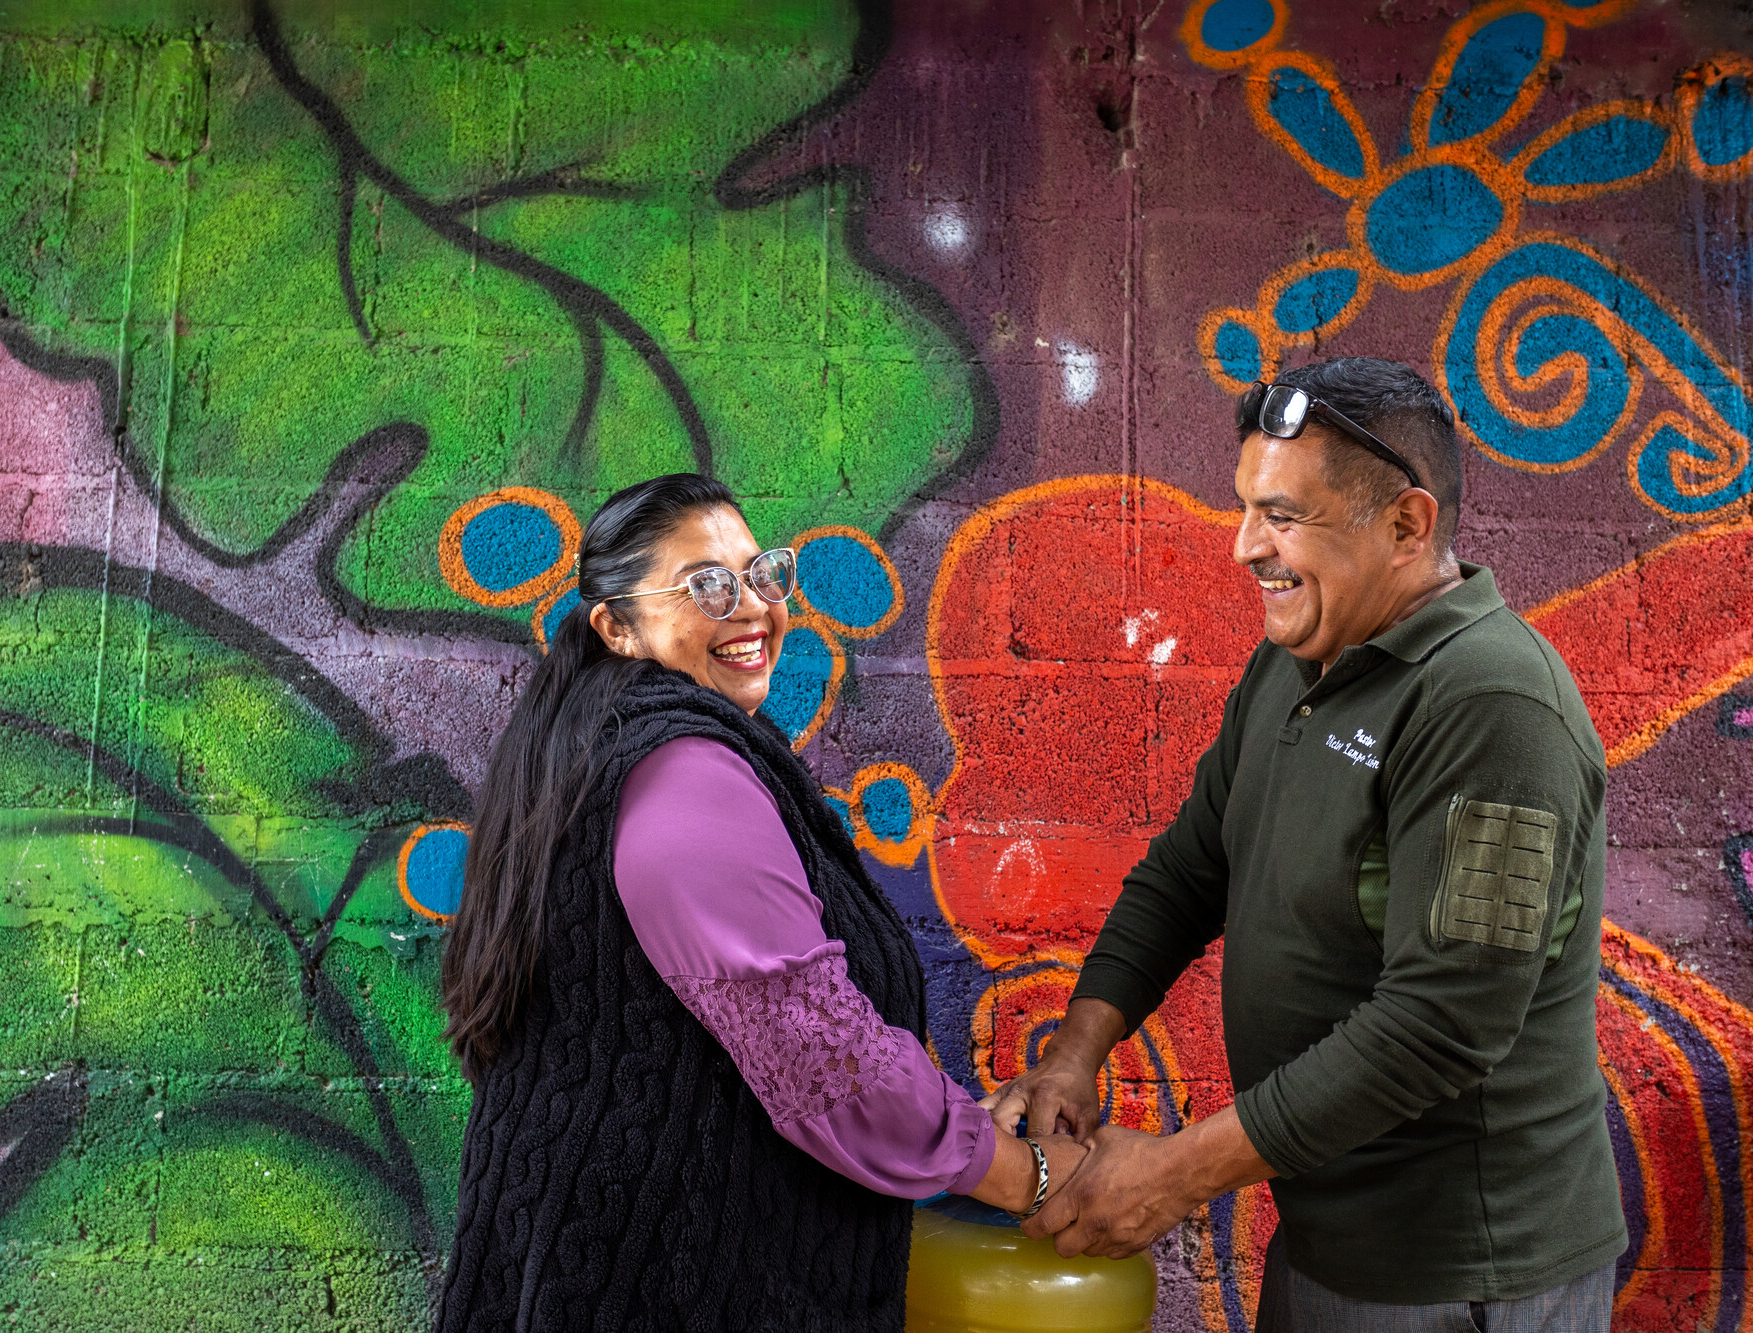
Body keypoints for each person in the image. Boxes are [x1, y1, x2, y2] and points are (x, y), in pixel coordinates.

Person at [984, 359, 1625, 1331]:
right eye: (1244, 507)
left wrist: (1168, 1175)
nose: (1244, 547)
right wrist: (1075, 1053)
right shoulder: (1293, 660)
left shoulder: (1491, 700)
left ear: (1406, 526)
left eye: (1280, 515)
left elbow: (1440, 1022)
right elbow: (1187, 870)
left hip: (1458, 1273)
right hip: (1325, 1241)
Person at [437, 473, 1082, 1332]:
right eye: (707, 584)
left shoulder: (602, 741)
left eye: (761, 574)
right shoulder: (680, 775)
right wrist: (1030, 1177)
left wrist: (961, 1125)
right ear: (616, 627)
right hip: (658, 1283)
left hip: (597, 1259)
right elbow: (825, 1063)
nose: (752, 607)